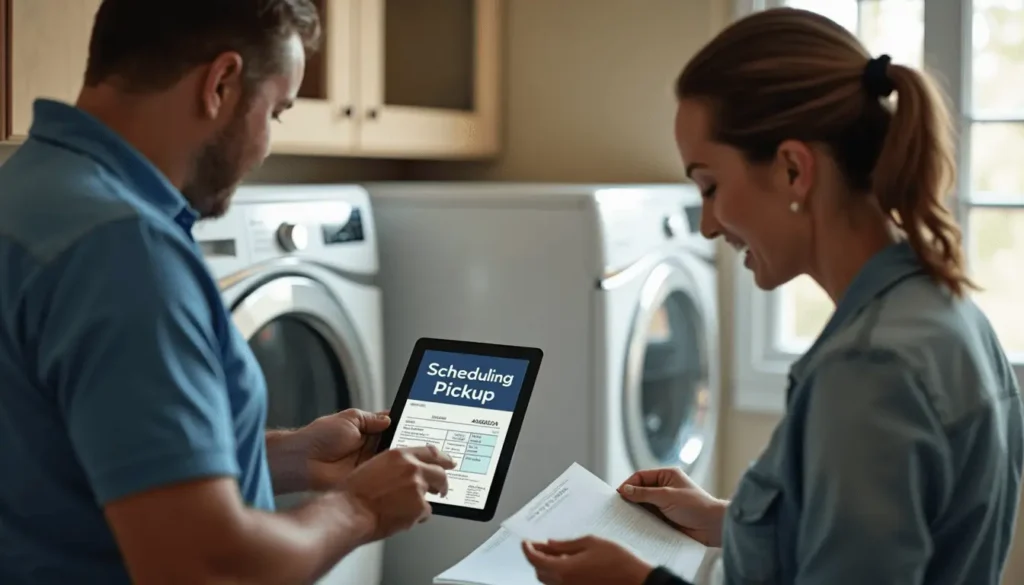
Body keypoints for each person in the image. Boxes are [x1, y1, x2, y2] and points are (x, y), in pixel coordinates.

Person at [522, 7, 1024, 585]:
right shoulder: (944, 311)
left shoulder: (867, 368)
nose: (708, 225)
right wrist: (723, 520)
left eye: (710, 185)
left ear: (792, 170)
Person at [0, 1, 455, 583]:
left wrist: (290, 457)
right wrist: (360, 507)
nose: (266, 146)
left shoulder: (28, 193)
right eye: (277, 111)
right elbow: (205, 568)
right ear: (221, 84)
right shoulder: (126, 251)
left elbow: (79, 465)